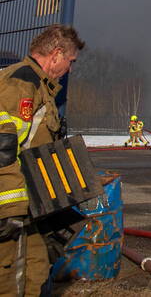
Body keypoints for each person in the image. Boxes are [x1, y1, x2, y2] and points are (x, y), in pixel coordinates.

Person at [0, 24, 84, 297]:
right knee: (10, 279)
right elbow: (3, 147)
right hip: (13, 209)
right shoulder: (22, 83)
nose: (69, 69)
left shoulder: (40, 89)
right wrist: (10, 209)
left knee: (34, 272)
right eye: (70, 62)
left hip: (31, 208)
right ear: (57, 54)